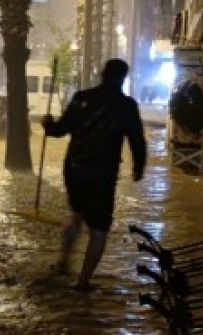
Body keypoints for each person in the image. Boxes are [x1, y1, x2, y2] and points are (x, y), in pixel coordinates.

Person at [41, 59, 147, 291]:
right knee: (99, 227)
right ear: (124, 78)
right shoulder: (126, 106)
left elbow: (60, 130)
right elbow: (137, 140)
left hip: (74, 169)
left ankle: (63, 260)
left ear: (102, 74)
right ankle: (83, 281)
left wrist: (47, 125)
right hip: (103, 173)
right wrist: (139, 167)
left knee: (75, 211)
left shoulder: (82, 98)